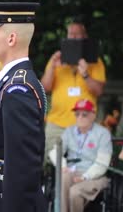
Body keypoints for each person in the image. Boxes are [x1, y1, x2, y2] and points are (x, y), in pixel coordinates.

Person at [0, 1, 47, 212]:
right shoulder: (9, 80)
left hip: (6, 196)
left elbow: (22, 164)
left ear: (11, 38)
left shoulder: (18, 89)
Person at [41, 20, 106, 161]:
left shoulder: (96, 62)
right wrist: (52, 67)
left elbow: (99, 91)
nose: (74, 38)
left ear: (85, 37)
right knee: (53, 162)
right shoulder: (56, 59)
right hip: (57, 124)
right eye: (71, 34)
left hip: (84, 124)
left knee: (82, 163)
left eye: (78, 35)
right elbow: (44, 88)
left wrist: (86, 74)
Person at [49, 99, 112, 212]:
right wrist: (63, 166)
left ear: (93, 115)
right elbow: (55, 152)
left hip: (94, 176)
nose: (80, 117)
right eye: (77, 114)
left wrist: (85, 176)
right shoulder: (69, 131)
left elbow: (103, 163)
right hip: (72, 172)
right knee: (63, 177)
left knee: (74, 192)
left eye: (84, 114)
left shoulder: (103, 134)